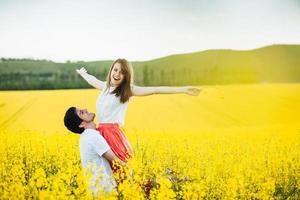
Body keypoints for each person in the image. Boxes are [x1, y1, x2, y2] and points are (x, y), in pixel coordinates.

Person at [76, 58, 201, 163]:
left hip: (113, 134)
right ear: (111, 70)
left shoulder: (128, 90)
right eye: (115, 70)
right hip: (100, 133)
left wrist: (183, 90)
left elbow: (155, 90)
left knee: (120, 172)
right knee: (105, 173)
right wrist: (83, 74)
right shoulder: (105, 87)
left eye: (122, 72)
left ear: (126, 76)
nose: (117, 74)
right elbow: (92, 80)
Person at [64, 106, 123, 196]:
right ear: (81, 124)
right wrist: (135, 173)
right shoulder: (92, 136)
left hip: (97, 190)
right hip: (104, 191)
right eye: (81, 112)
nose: (85, 109)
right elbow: (116, 161)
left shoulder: (86, 137)